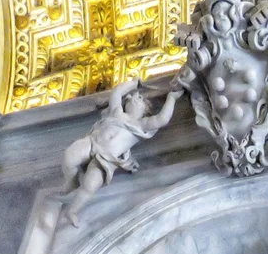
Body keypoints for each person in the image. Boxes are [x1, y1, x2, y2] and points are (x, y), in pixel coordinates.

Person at [62, 78, 181, 226]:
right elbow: (117, 92)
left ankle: (72, 210)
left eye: (139, 98)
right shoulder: (117, 112)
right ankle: (71, 182)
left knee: (90, 184)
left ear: (146, 110)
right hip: (92, 143)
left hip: (107, 159)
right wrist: (133, 83)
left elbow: (162, 119)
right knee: (69, 157)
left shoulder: (141, 125)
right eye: (131, 96)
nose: (132, 97)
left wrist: (172, 98)